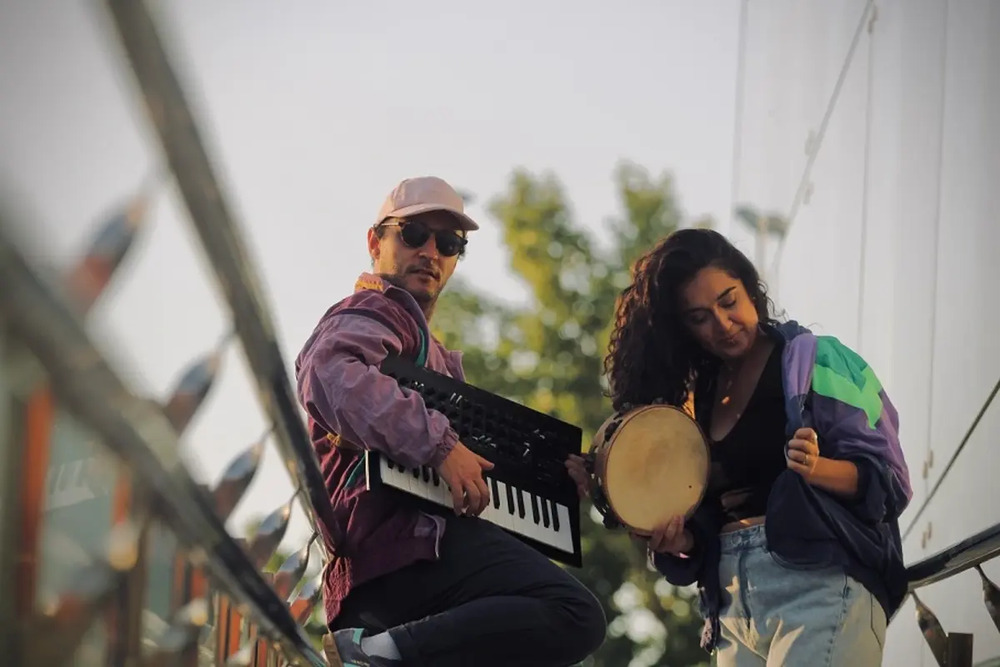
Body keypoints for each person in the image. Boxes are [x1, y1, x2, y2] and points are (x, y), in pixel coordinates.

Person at [295, 175, 606, 667]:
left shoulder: (432, 354)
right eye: (413, 234)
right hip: (397, 550)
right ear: (376, 242)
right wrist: (441, 446)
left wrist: (556, 482)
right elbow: (328, 373)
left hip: (398, 571)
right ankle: (375, 653)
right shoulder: (377, 309)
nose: (432, 252)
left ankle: (377, 653)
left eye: (449, 243)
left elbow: (473, 474)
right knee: (572, 612)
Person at [567, 228, 911, 666]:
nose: (722, 324)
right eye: (699, 317)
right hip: (731, 608)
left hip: (819, 587)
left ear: (750, 288)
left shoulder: (815, 359)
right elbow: (714, 516)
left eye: (728, 301)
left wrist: (817, 468)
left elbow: (889, 481)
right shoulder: (695, 402)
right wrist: (681, 537)